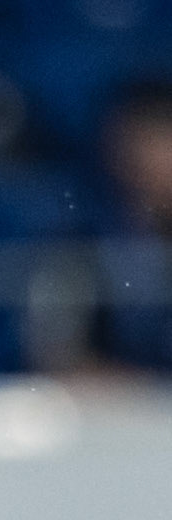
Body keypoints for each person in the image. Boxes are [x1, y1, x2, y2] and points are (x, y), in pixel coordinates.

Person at [92, 79, 172, 374]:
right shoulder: (81, 239)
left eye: (162, 140)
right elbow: (63, 361)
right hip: (120, 416)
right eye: (142, 140)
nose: (150, 157)